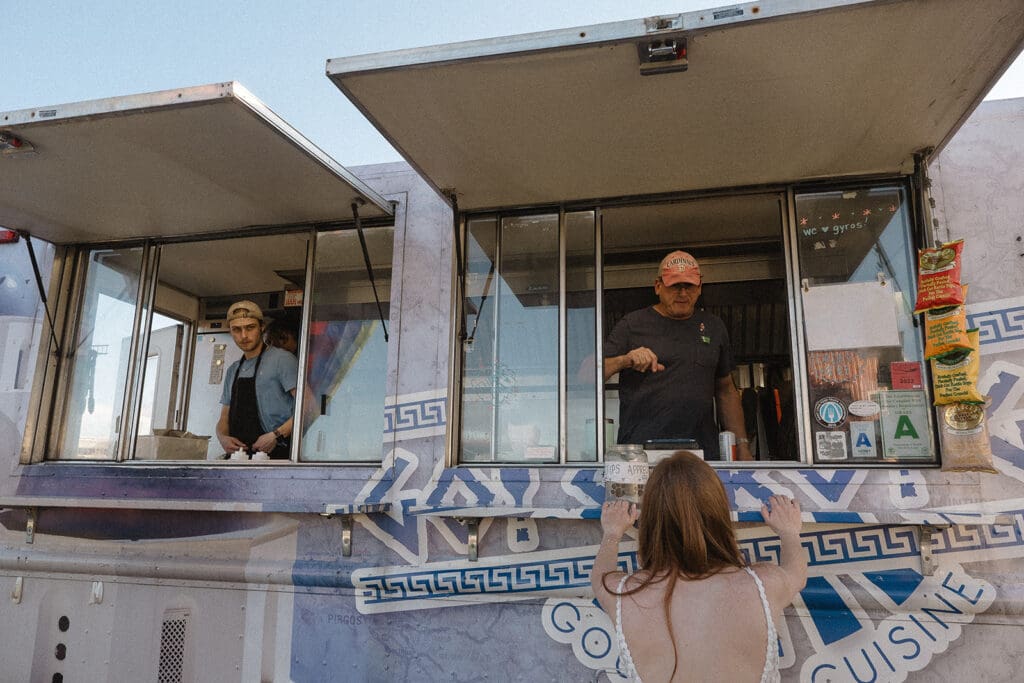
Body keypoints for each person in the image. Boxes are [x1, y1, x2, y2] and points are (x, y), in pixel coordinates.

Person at [592, 451, 806, 682]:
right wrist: (789, 532)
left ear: (651, 522)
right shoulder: (763, 585)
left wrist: (612, 533)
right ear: (718, 513)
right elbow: (797, 573)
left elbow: (599, 577)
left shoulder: (623, 595)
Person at [604, 250, 753, 460]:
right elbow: (587, 376)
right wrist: (625, 360)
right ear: (658, 286)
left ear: (699, 287)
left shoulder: (714, 327)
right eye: (675, 286)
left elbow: (726, 390)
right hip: (641, 455)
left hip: (701, 454)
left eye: (689, 286)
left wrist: (743, 446)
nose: (683, 293)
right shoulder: (632, 325)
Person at [216, 301, 298, 459]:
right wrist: (222, 438)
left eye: (250, 327)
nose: (244, 335)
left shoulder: (282, 360)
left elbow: (309, 408)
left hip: (279, 455)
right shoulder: (233, 370)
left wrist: (277, 435)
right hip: (240, 458)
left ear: (262, 327)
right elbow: (224, 418)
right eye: (237, 330)